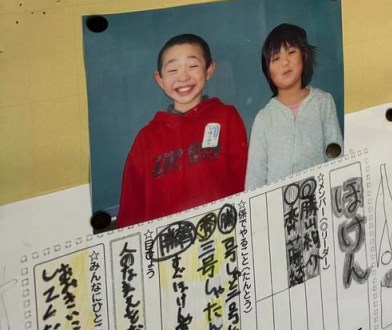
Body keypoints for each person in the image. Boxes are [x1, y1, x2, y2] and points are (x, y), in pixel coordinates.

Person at [117, 34, 247, 227]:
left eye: (193, 66)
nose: (183, 77)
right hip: (168, 246)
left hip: (222, 235)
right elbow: (131, 207)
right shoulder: (146, 138)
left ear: (209, 69)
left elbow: (244, 180)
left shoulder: (226, 117)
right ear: (159, 79)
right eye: (172, 70)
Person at [246, 24, 342, 189]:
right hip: (278, 208)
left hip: (319, 201)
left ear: (304, 56)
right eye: (275, 59)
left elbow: (336, 158)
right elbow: (255, 176)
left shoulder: (323, 102)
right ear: (268, 71)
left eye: (291, 52)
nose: (285, 62)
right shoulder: (264, 118)